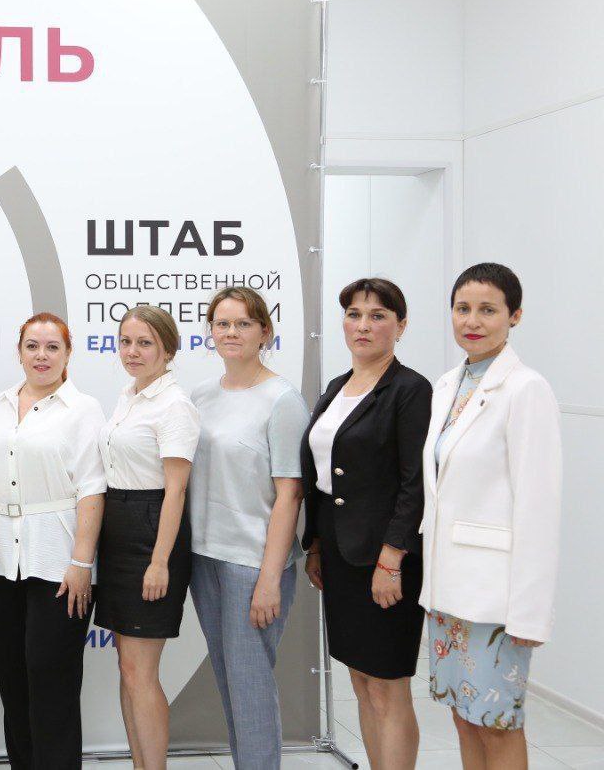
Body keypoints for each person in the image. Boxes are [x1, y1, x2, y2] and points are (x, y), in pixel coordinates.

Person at [421, 263, 561, 766]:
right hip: (447, 589)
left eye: (487, 310)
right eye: (462, 309)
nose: (472, 321)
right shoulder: (448, 385)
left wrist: (530, 612)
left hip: (495, 597)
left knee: (497, 722)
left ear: (514, 316)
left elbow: (539, 507)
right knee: (463, 715)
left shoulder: (526, 389)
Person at [300, 278, 431, 770]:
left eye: (378, 316)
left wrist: (391, 559)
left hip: (386, 558)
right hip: (340, 552)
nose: (363, 325)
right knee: (360, 679)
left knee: (387, 684)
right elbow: (324, 475)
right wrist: (316, 544)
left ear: (401, 325)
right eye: (354, 314)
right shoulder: (338, 387)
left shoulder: (410, 389)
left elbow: (414, 484)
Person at [188, 287, 309, 770]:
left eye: (243, 323)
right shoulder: (201, 396)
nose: (231, 332)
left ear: (265, 332)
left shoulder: (282, 400)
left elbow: (290, 494)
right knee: (229, 682)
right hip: (205, 557)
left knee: (251, 684)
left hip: (253, 563)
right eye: (222, 324)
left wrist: (269, 579)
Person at [0, 312, 106, 770]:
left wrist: (82, 563)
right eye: (32, 346)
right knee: (12, 681)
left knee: (52, 683)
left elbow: (92, 489)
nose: (42, 356)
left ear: (68, 354)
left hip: (60, 561)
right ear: (19, 352)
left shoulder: (83, 409)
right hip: (5, 562)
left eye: (53, 347)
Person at [94, 305, 200, 770]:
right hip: (117, 533)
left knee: (141, 672)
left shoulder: (174, 405)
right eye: (126, 342)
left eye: (144, 343)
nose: (132, 352)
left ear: (168, 349)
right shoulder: (129, 396)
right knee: (128, 668)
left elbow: (176, 491)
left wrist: (159, 561)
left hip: (152, 536)